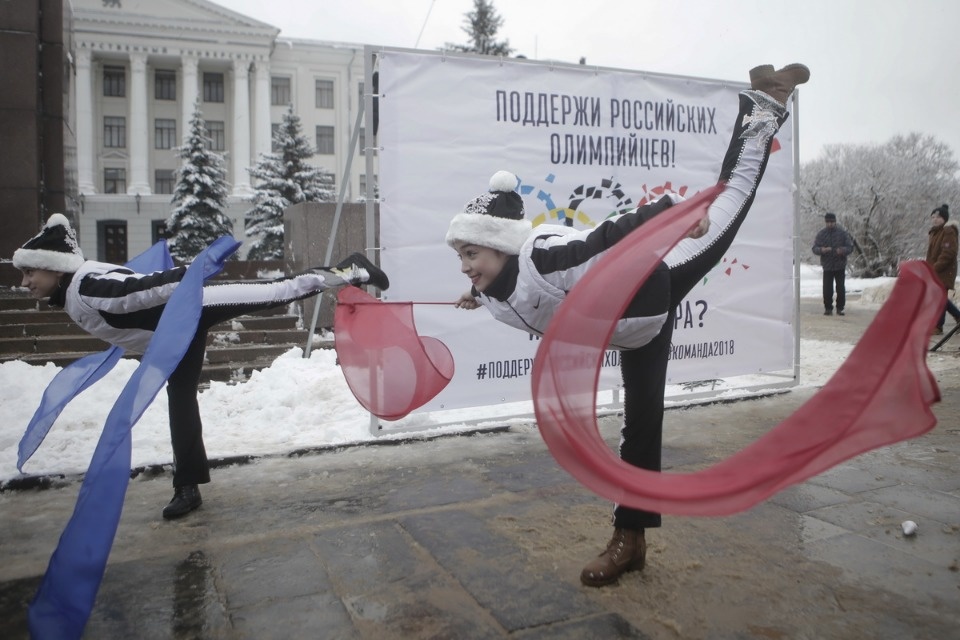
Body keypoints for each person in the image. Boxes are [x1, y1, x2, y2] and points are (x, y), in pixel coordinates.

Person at [446, 63, 810, 586]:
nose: (466, 266)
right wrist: (475, 296)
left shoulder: (547, 259)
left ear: (501, 246)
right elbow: (511, 297)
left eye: (472, 254)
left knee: (728, 202)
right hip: (638, 330)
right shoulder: (493, 288)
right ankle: (631, 539)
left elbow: (610, 237)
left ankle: (764, 109)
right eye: (462, 257)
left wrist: (671, 215)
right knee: (640, 426)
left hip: (658, 277)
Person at [14, 214, 389, 519]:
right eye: (24, 274)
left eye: (31, 272)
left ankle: (350, 270)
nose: (26, 282)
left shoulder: (86, 286)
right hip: (174, 338)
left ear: (54, 268)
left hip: (196, 304)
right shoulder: (74, 290)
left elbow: (137, 290)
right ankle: (187, 486)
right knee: (180, 401)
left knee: (277, 291)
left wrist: (190, 275)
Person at [925, 203, 960, 334]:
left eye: (938, 217)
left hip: (944, 270)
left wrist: (935, 267)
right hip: (936, 270)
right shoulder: (935, 232)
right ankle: (958, 316)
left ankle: (938, 326)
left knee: (939, 297)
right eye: (933, 216)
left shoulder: (948, 231)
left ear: (944, 219)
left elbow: (949, 252)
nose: (935, 219)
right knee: (940, 297)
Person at [811, 212, 854, 316]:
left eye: (832, 222)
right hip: (827, 266)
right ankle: (828, 308)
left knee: (840, 288)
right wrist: (822, 250)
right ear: (825, 222)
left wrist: (842, 250)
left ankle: (840, 308)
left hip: (840, 265)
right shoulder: (821, 234)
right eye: (828, 222)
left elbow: (850, 247)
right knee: (827, 288)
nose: (830, 224)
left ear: (835, 222)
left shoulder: (842, 233)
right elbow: (814, 248)